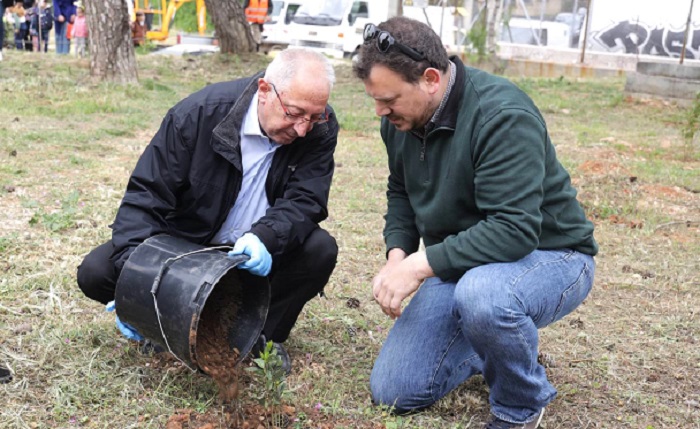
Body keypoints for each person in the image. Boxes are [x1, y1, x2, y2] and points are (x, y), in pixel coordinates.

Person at [353, 17, 598, 429]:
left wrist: (418, 265)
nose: (379, 110)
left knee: (485, 296)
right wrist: (398, 254)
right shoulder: (399, 120)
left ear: (430, 79)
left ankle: (519, 405)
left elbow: (514, 231)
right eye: (375, 99)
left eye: (389, 99)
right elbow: (401, 190)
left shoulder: (501, 115)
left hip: (551, 254)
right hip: (465, 261)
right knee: (395, 391)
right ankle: (495, 345)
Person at [77, 48, 339, 375]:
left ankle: (259, 337)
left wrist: (265, 237)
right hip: (186, 246)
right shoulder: (198, 115)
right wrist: (138, 285)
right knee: (98, 270)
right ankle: (161, 325)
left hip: (249, 255)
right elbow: (146, 196)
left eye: (313, 117)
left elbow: (306, 199)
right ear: (264, 91)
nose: (302, 129)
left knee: (319, 250)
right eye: (295, 113)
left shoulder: (320, 127)